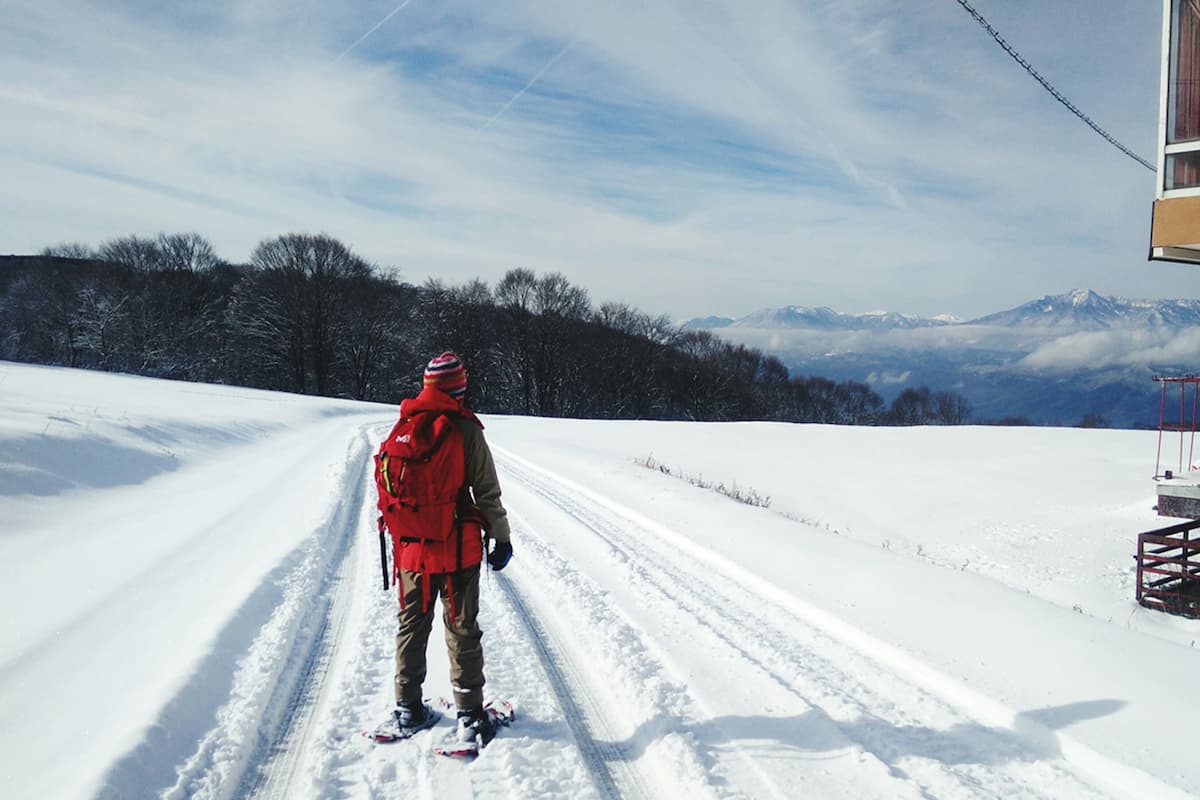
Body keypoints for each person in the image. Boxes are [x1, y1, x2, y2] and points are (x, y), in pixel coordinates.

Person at [382, 352, 513, 744]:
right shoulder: (466, 430)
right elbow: (486, 492)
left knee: (411, 626)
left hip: (411, 551)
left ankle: (408, 709)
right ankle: (470, 716)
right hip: (457, 552)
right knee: (461, 629)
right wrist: (502, 537)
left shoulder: (403, 426)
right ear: (457, 389)